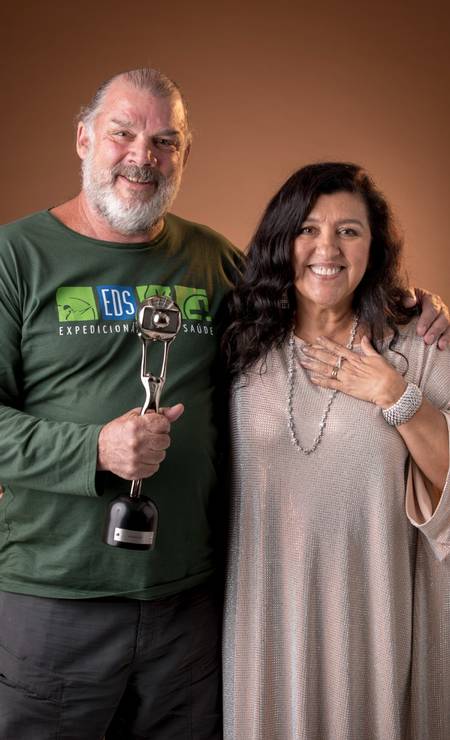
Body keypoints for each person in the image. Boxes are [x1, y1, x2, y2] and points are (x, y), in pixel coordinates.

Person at [0, 71, 447, 740]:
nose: (141, 157)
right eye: (123, 133)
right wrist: (90, 449)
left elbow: (314, 285)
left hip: (192, 603)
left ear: (184, 155)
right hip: (60, 595)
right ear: (84, 138)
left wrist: (414, 307)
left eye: (164, 141)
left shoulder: (210, 261)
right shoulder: (17, 257)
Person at [222, 162, 450, 740]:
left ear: (374, 247)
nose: (328, 248)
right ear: (282, 241)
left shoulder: (417, 345)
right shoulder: (237, 345)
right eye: (307, 229)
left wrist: (395, 394)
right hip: (263, 611)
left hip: (377, 611)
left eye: (349, 230)